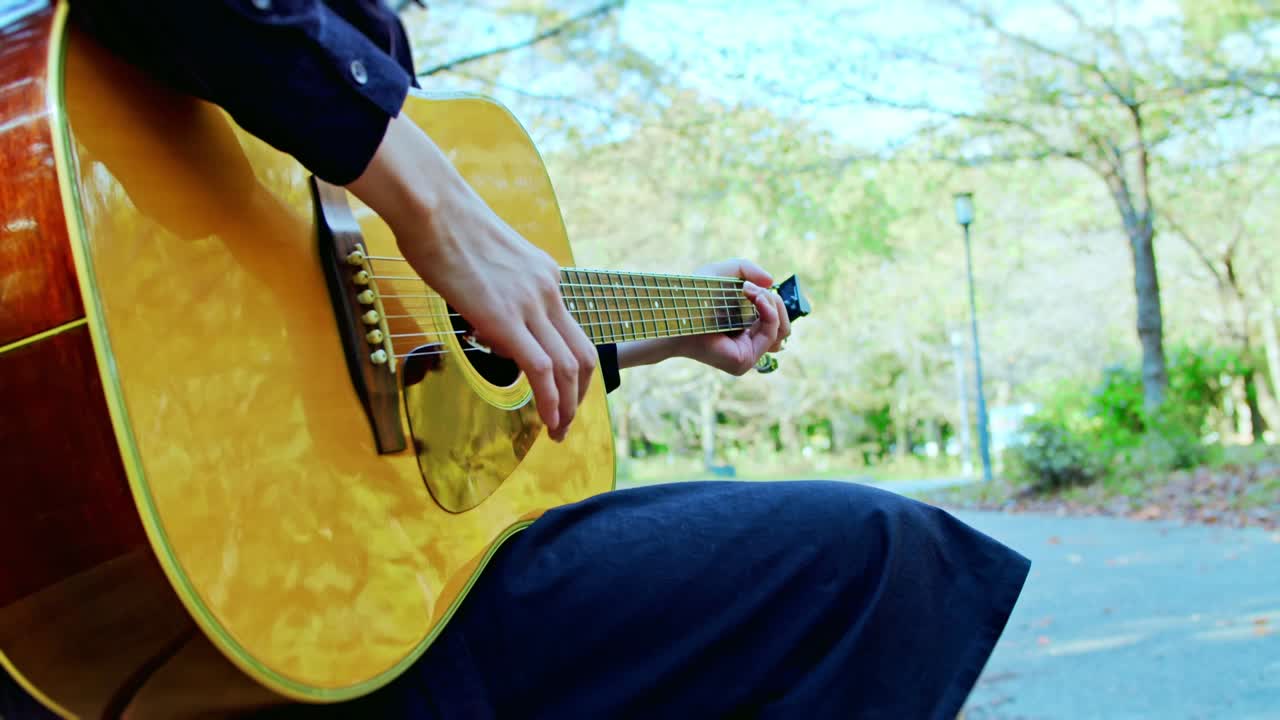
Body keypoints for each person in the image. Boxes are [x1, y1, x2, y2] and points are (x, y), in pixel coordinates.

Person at [19, 2, 1032, 717]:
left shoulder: (376, 61)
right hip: (202, 613)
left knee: (876, 558)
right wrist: (442, 211)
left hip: (378, 595)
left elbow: (410, 364)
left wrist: (651, 329)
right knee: (861, 569)